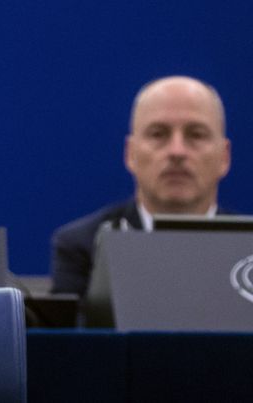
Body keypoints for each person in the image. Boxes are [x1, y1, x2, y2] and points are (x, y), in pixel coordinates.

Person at [49, 76, 233, 296]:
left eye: (196, 135)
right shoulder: (84, 248)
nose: (177, 151)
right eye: (158, 134)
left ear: (224, 157)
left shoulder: (247, 249)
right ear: (131, 154)